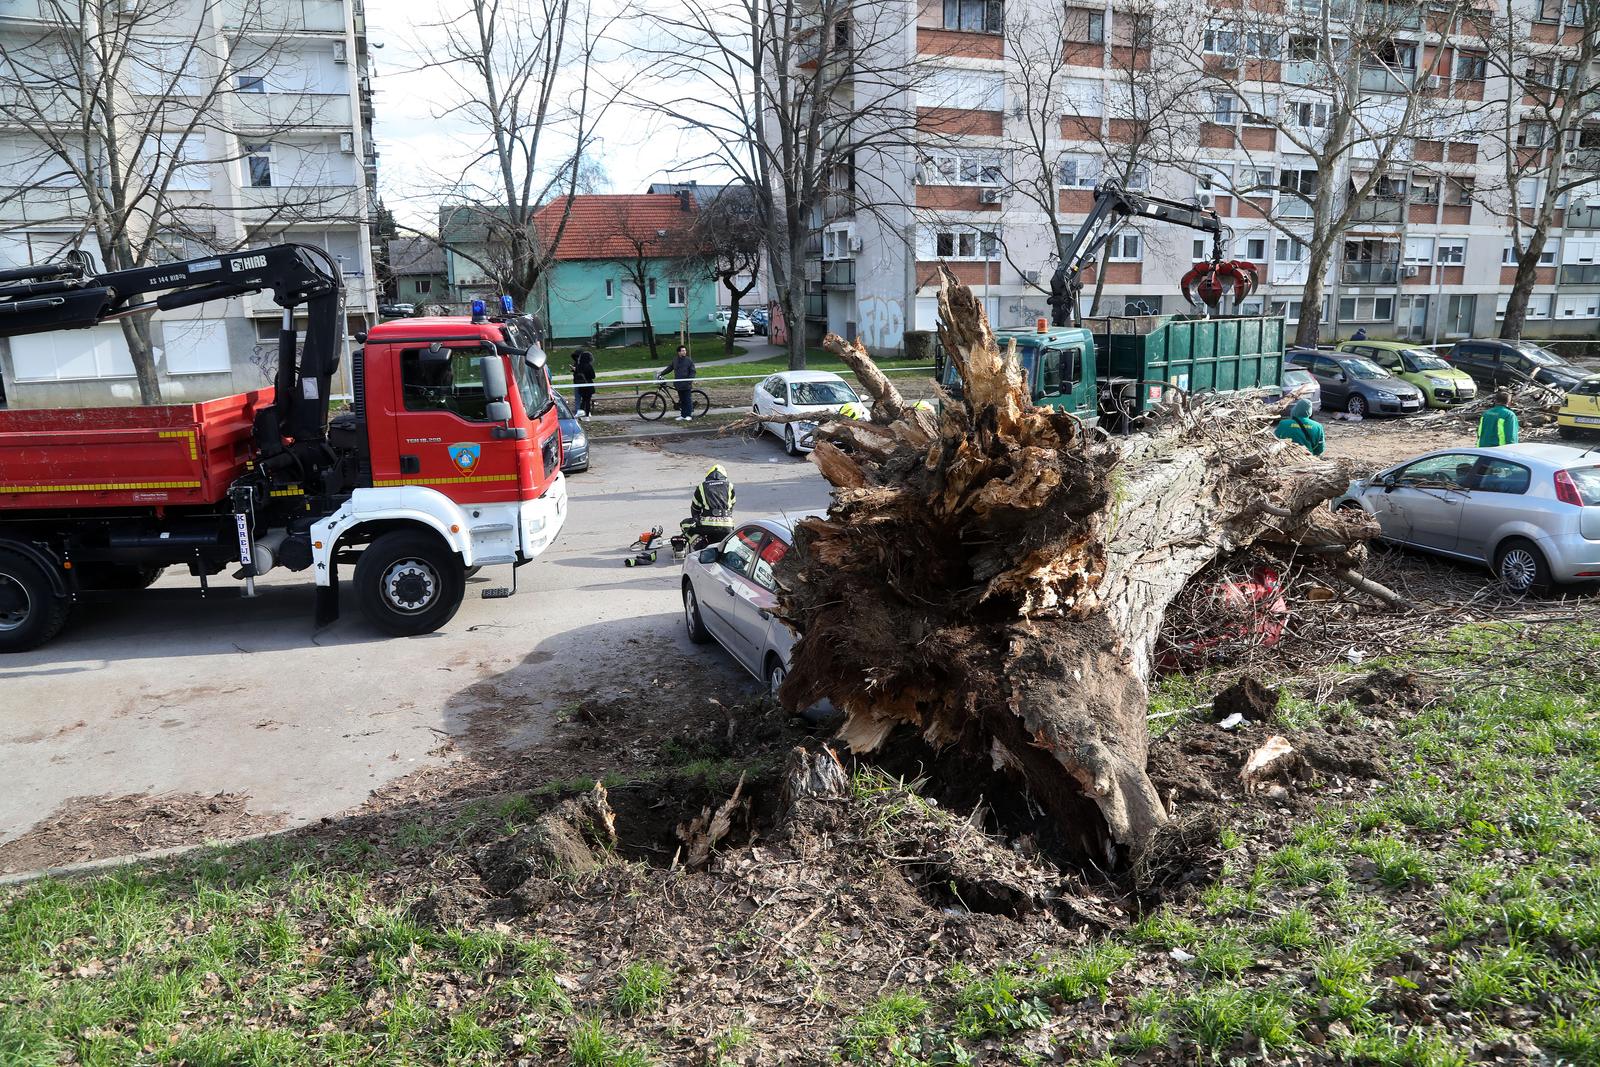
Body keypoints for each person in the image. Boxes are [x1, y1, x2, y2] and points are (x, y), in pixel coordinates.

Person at [682, 464, 735, 546]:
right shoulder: (730, 486)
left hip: (707, 525)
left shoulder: (702, 486)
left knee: (684, 525)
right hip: (727, 526)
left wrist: (698, 520)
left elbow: (695, 508)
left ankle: (702, 547)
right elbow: (731, 506)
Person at [660, 344, 697, 421]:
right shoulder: (675, 360)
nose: (684, 352)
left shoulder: (689, 360)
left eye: (685, 350)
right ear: (678, 352)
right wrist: (661, 373)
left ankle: (688, 415)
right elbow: (670, 368)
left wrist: (689, 380)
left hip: (686, 384)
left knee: (687, 399)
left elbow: (693, 371)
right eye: (682, 351)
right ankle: (683, 415)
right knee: (682, 400)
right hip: (678, 384)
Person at [571, 349, 596, 418]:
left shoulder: (578, 366)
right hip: (588, 385)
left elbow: (576, 374)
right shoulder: (589, 366)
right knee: (587, 401)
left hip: (581, 386)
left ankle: (580, 412)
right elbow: (593, 376)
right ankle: (587, 415)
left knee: (583, 400)